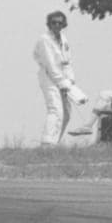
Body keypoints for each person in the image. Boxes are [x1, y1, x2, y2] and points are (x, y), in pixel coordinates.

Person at [33, 11, 78, 146]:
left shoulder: (63, 39)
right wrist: (61, 83)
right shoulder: (44, 40)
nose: (57, 25)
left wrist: (70, 80)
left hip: (63, 78)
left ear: (64, 24)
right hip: (48, 77)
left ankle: (55, 141)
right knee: (55, 109)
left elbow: (67, 61)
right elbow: (50, 64)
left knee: (66, 112)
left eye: (60, 22)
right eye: (54, 22)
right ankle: (47, 142)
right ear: (49, 24)